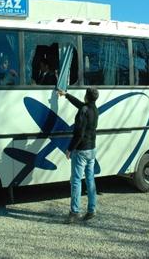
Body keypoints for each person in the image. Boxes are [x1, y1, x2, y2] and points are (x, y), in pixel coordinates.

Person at [58, 87, 99, 223]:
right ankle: (92, 210)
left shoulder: (84, 110)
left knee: (76, 181)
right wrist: (67, 95)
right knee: (90, 179)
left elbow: (79, 134)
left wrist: (70, 149)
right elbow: (80, 105)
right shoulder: (93, 109)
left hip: (81, 150)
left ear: (86, 96)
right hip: (92, 149)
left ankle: (74, 212)